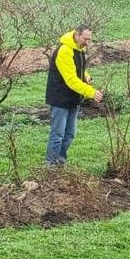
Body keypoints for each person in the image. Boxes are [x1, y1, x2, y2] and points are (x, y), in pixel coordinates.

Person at [45, 25, 104, 165]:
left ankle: (60, 162)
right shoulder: (65, 50)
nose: (87, 43)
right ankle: (51, 165)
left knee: (70, 134)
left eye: (89, 40)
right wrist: (91, 92)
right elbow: (71, 79)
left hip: (73, 98)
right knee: (58, 134)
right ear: (77, 35)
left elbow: (78, 69)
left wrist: (86, 76)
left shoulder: (78, 48)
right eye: (85, 39)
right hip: (60, 98)